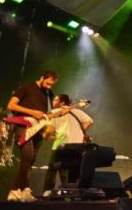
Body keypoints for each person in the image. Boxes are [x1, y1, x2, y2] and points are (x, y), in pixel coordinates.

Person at [6, 71, 67, 201]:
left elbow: (47, 114)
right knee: (27, 156)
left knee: (31, 160)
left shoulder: (49, 93)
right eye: (47, 83)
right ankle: (23, 189)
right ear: (42, 78)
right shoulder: (26, 87)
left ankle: (17, 190)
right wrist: (32, 112)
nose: (49, 86)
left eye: (52, 85)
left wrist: (60, 113)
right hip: (23, 126)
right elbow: (11, 105)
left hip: (38, 129)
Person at [43, 93, 94, 192]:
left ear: (62, 102)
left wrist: (45, 135)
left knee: (53, 171)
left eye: (55, 100)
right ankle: (70, 193)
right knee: (72, 171)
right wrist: (79, 131)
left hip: (62, 146)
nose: (53, 101)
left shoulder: (55, 112)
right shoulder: (77, 111)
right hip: (77, 146)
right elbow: (89, 121)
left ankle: (48, 192)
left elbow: (48, 132)